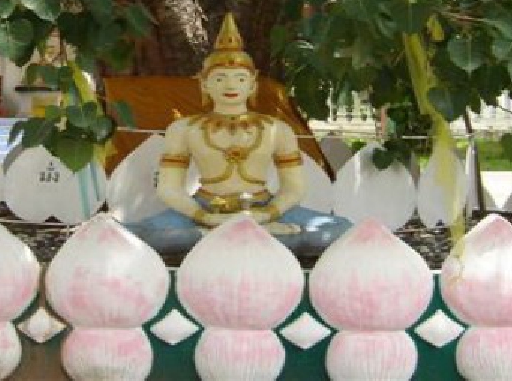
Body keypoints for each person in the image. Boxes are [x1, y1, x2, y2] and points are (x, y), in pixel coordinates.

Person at [130, 14, 352, 254]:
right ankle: (241, 236)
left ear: (253, 83)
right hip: (205, 209)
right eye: (220, 78)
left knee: (340, 229)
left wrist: (266, 214)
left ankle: (219, 237)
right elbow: (169, 188)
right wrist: (205, 216)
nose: (230, 86)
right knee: (143, 234)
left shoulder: (277, 129)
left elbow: (294, 188)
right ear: (204, 83)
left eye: (240, 78)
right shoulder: (184, 129)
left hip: (263, 208)